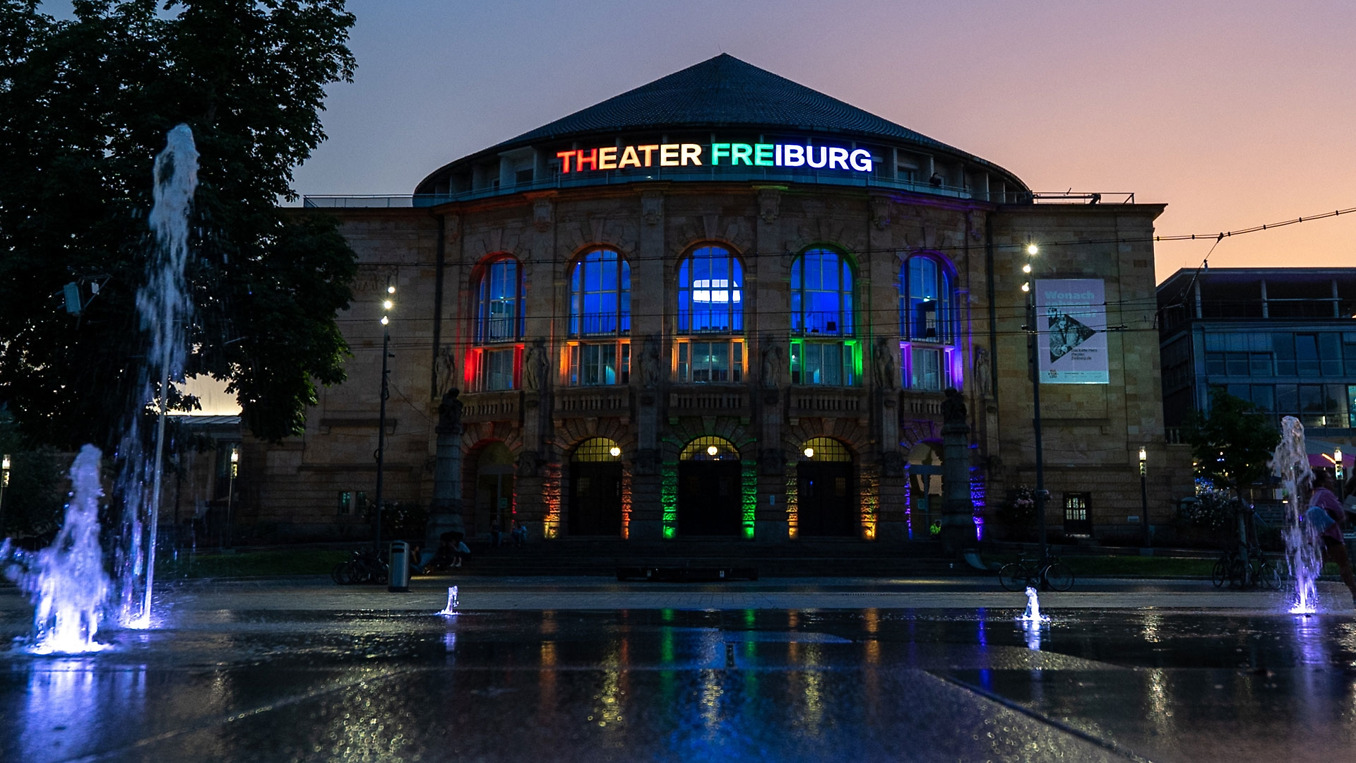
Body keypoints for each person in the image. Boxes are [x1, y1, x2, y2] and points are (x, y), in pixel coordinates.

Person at [1308, 470, 1356, 606]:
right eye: (1329, 478)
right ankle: (1355, 593)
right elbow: (1340, 513)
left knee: (1318, 565)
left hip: (1318, 536)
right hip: (1331, 535)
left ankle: (1302, 591)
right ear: (1322, 481)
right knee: (1344, 564)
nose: (1332, 481)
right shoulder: (1326, 493)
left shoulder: (1314, 495)